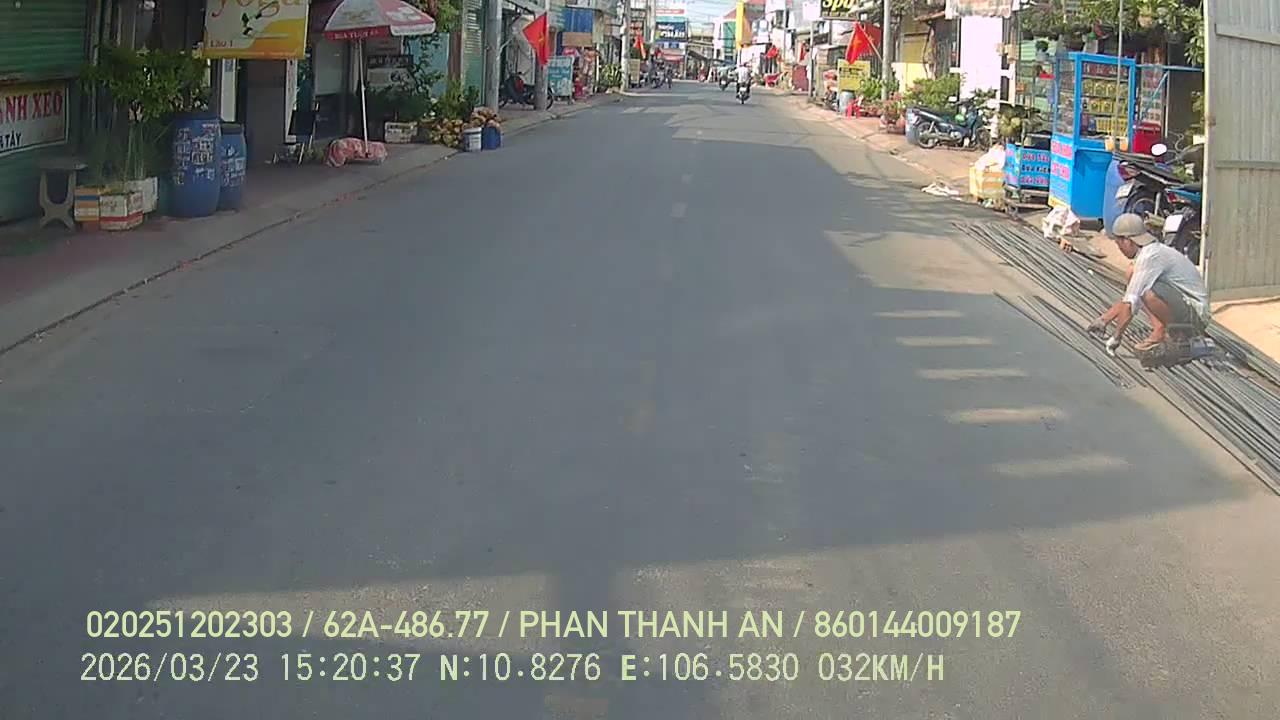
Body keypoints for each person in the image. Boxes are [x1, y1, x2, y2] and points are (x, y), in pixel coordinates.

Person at [1087, 213, 1209, 353]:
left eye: (1118, 243)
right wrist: (1104, 320)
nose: (1119, 249)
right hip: (1186, 306)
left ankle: (1176, 335)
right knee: (1133, 275)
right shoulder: (1149, 253)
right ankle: (1160, 330)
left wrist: (1116, 337)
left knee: (1147, 293)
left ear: (1127, 241)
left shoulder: (1150, 257)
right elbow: (1130, 297)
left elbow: (1130, 303)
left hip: (1196, 315)